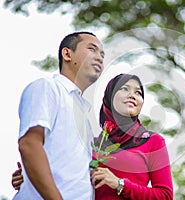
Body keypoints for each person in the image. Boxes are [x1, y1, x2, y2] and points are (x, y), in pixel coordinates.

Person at [13, 73, 174, 200]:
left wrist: (120, 184)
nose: (132, 95)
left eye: (138, 93)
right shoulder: (93, 142)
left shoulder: (152, 141)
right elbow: (68, 174)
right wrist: (29, 176)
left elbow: (165, 196)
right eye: (124, 89)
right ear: (109, 97)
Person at [12, 31, 105, 200]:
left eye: (102, 54)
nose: (99, 57)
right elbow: (29, 144)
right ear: (67, 54)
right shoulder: (47, 87)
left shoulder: (85, 113)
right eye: (92, 49)